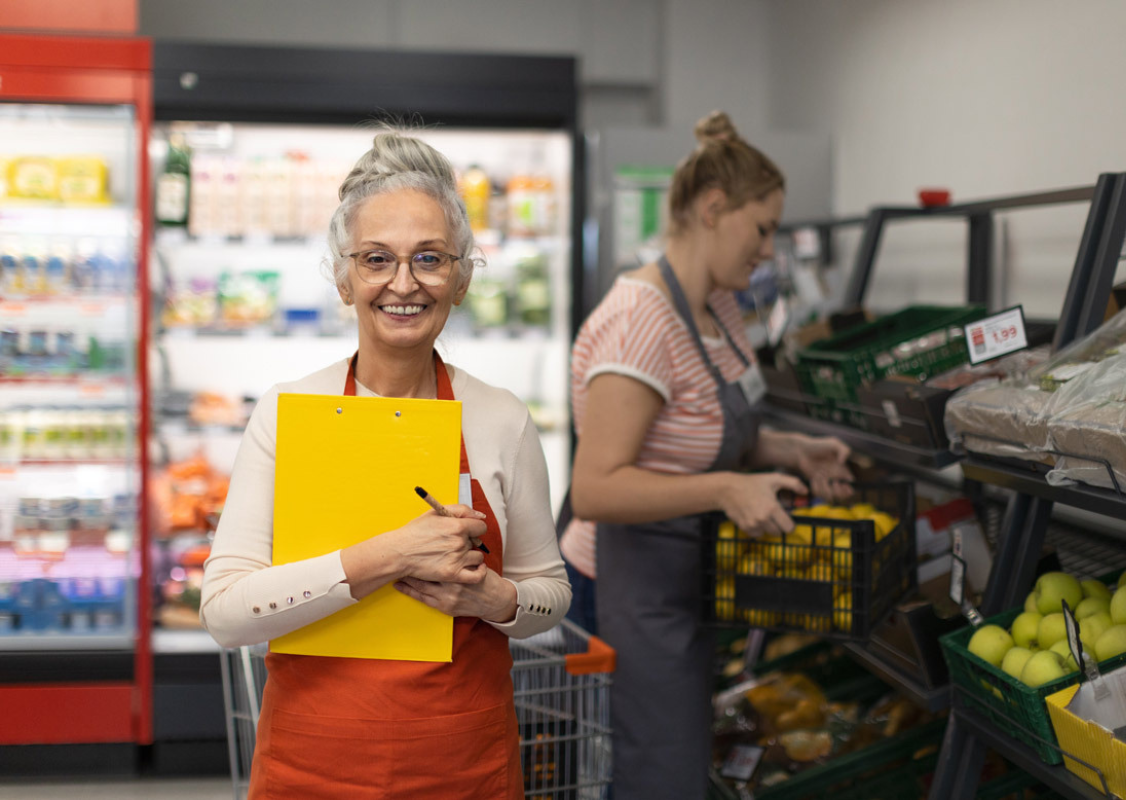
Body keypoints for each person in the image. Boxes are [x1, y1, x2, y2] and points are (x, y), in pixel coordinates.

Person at [200, 129, 571, 799]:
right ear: (345, 279)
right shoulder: (288, 413)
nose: (404, 283)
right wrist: (388, 556)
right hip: (313, 766)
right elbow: (226, 613)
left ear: (459, 279)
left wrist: (495, 598)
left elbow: (550, 591)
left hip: (464, 768)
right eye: (377, 259)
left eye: (429, 258)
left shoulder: (500, 418)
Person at [559, 110, 854, 798]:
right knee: (650, 775)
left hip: (681, 579)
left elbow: (710, 433)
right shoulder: (639, 322)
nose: (768, 250)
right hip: (618, 592)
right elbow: (597, 487)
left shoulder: (719, 305)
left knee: (681, 769)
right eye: (763, 228)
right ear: (715, 209)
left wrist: (793, 449)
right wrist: (727, 489)